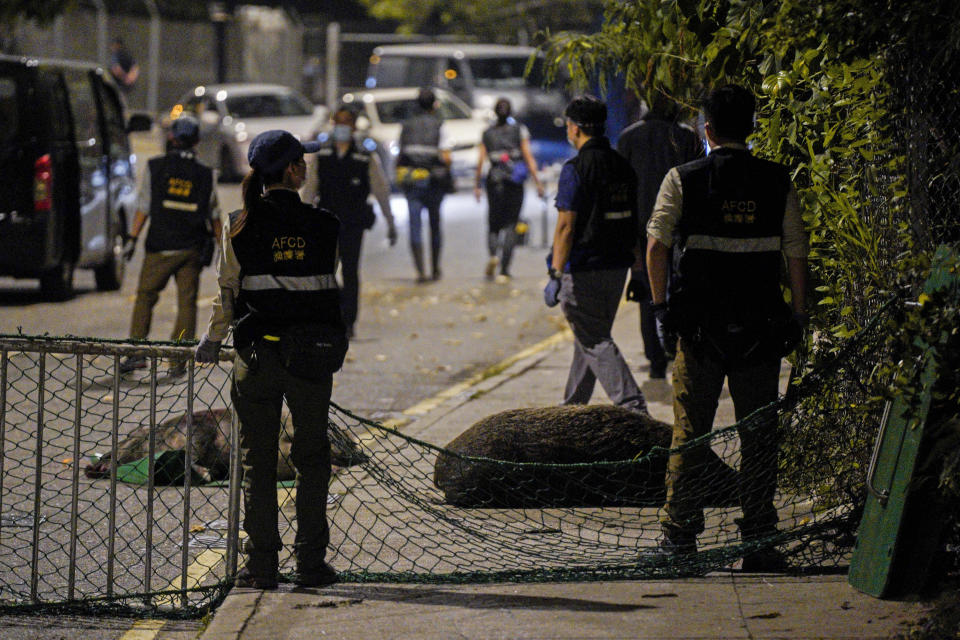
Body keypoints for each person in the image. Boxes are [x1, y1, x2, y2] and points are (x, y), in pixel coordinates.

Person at [646, 85, 809, 570]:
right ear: (752, 127)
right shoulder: (777, 181)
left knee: (690, 433)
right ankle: (759, 538)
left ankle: (680, 539)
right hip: (761, 330)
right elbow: (796, 253)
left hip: (699, 332)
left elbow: (656, 245)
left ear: (707, 129)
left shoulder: (682, 179)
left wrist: (660, 310)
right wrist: (799, 317)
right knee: (759, 434)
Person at [195, 129, 346, 589]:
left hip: (256, 357)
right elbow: (326, 286)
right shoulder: (326, 225)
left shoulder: (239, 224)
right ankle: (311, 564)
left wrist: (211, 341)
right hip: (311, 359)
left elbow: (227, 293)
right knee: (312, 458)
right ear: (294, 170)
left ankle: (260, 565)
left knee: (257, 462)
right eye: (303, 161)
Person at [543, 95, 647, 414]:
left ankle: (632, 406)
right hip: (616, 267)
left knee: (594, 339)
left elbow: (566, 227)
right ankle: (572, 408)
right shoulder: (622, 166)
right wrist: (639, 271)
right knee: (588, 337)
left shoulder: (576, 168)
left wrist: (555, 274)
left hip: (584, 267)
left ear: (574, 128)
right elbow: (633, 222)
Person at [119, 115, 221, 377]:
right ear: (196, 141)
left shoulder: (156, 167)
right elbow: (214, 215)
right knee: (187, 303)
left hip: (160, 247)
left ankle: (137, 352)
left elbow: (143, 207)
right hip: (191, 249)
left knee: (145, 297)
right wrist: (224, 249)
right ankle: (178, 359)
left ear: (172, 138)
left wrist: (132, 238)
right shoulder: (204, 174)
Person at [617, 94, 704, 378]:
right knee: (681, 287)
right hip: (680, 227)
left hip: (641, 227)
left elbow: (623, 191)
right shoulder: (686, 136)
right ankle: (679, 349)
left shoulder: (629, 138)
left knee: (648, 292)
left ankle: (655, 358)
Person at [302, 106, 398, 338]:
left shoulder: (365, 157)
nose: (342, 127)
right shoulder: (322, 156)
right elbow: (310, 189)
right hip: (326, 223)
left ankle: (349, 321)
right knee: (325, 273)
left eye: (347, 123)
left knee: (351, 272)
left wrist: (390, 222)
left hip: (354, 223)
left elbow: (381, 190)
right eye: (339, 122)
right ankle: (334, 313)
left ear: (354, 127)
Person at [474, 98, 545, 282]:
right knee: (511, 224)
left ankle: (493, 256)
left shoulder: (487, 133)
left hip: (494, 181)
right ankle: (504, 270)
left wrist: (476, 185)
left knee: (493, 223)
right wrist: (537, 181)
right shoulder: (519, 130)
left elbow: (481, 161)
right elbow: (528, 156)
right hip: (514, 181)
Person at [396, 88, 452, 282]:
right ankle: (435, 268)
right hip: (434, 182)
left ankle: (420, 271)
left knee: (414, 225)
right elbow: (446, 156)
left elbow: (400, 154)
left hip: (412, 181)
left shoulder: (406, 125)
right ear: (434, 105)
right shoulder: (439, 126)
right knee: (435, 225)